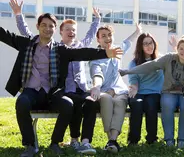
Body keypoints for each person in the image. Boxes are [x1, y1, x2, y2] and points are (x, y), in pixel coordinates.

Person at [0, 11, 122, 157]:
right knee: (22, 103)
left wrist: (105, 53)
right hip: (31, 91)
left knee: (67, 104)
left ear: (54, 29)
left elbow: (81, 53)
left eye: (51, 26)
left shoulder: (60, 49)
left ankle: (55, 143)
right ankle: (30, 145)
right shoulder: (27, 44)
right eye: (44, 25)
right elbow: (6, 35)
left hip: (51, 93)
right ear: (38, 26)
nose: (47, 28)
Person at [10, 0, 101, 155]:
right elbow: (26, 32)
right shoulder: (45, 45)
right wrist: (19, 14)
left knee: (77, 104)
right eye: (67, 29)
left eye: (73, 30)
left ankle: (67, 142)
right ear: (60, 32)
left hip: (66, 90)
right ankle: (33, 145)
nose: (71, 32)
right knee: (24, 102)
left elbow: (89, 41)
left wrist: (97, 23)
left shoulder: (70, 47)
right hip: (45, 90)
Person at [89, 23, 141, 153]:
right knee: (106, 99)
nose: (107, 38)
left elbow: (127, 42)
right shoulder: (95, 57)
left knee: (120, 102)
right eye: (103, 36)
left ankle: (112, 140)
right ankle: (111, 140)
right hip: (103, 90)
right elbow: (97, 74)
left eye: (109, 35)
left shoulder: (117, 50)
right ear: (98, 39)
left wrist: (137, 31)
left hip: (120, 90)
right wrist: (96, 87)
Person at [127, 33, 164, 145]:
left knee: (151, 104)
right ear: (140, 46)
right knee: (137, 104)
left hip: (155, 93)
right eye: (145, 44)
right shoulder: (134, 62)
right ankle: (133, 140)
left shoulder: (160, 60)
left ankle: (151, 139)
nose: (149, 46)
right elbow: (133, 78)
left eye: (151, 43)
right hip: (138, 92)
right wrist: (134, 88)